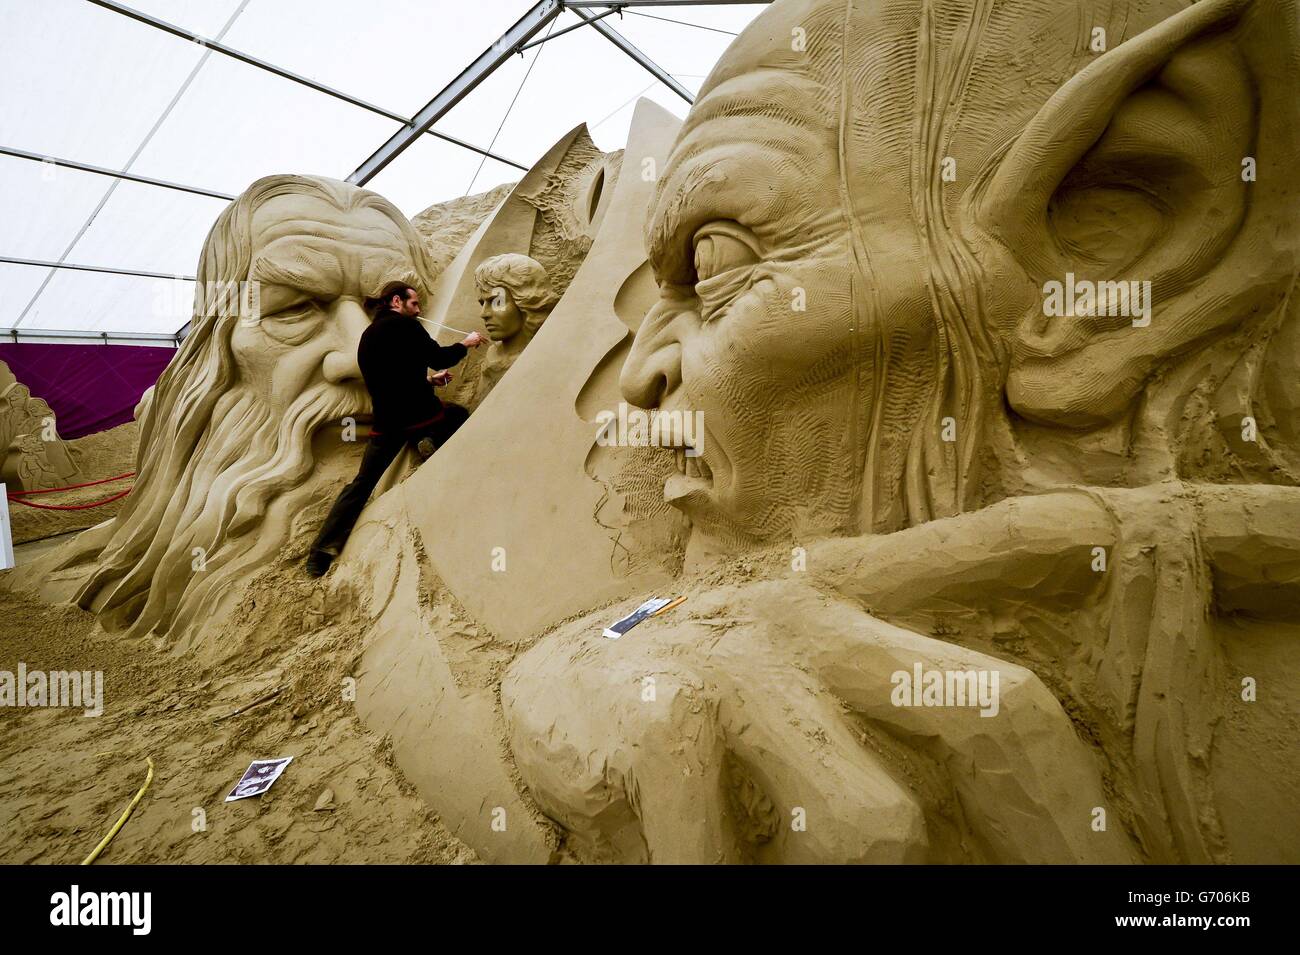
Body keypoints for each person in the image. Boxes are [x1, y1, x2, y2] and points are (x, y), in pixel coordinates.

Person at [306, 280, 485, 576]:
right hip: (423, 415)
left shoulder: (367, 337)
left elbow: (389, 378)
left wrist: (428, 380)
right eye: (414, 304)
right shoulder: (408, 327)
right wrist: (466, 343)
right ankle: (429, 440)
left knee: (361, 484)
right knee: (458, 415)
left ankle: (320, 553)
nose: (418, 310)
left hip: (387, 425)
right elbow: (440, 357)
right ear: (396, 301)